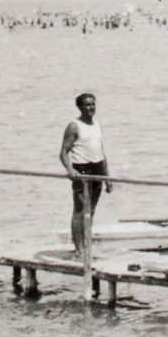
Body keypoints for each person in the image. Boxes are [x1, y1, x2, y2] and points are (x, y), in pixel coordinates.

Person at [59, 92, 112, 256]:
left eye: (93, 104)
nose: (91, 108)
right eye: (87, 105)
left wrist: (107, 177)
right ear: (80, 107)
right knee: (80, 210)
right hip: (81, 169)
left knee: (92, 210)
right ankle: (79, 249)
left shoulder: (97, 125)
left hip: (97, 168)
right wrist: (70, 170)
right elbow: (63, 153)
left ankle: (87, 245)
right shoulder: (74, 126)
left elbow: (101, 152)